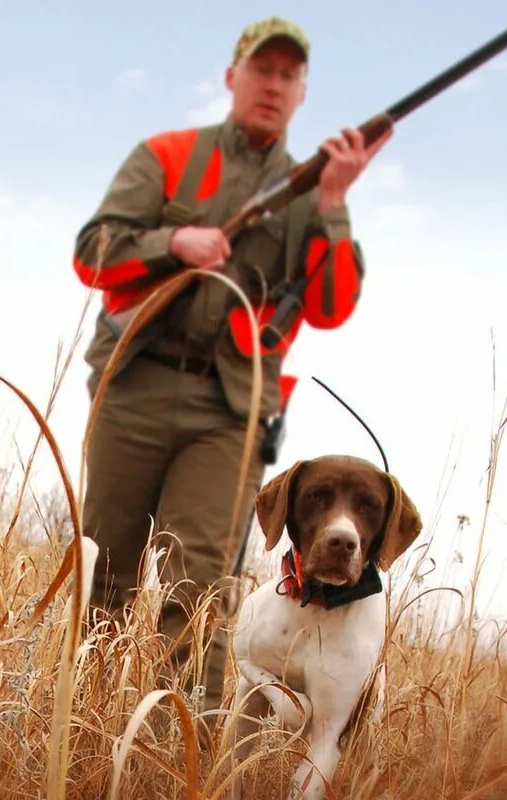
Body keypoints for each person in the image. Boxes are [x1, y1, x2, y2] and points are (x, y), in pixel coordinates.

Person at [71, 16, 390, 709]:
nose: (273, 86)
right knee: (106, 570)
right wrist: (173, 240)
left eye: (288, 76)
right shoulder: (166, 155)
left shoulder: (312, 193)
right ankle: (86, 734)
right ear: (232, 77)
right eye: (262, 71)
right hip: (135, 386)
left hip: (230, 411)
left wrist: (334, 201)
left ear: (302, 92)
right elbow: (92, 251)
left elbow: (334, 303)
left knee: (200, 588)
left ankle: (171, 755)